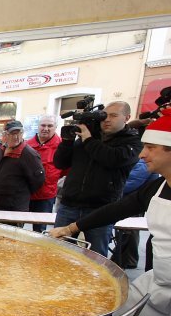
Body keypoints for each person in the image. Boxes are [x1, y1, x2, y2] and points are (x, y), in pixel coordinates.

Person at [48, 109, 171, 316]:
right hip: (159, 282)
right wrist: (71, 228)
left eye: (151, 148)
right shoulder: (156, 187)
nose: (142, 155)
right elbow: (119, 208)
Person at [52, 101, 141, 257]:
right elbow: (60, 163)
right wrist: (66, 142)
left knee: (96, 256)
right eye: (104, 116)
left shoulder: (132, 141)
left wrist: (88, 140)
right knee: (58, 251)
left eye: (114, 116)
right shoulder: (88, 137)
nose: (107, 120)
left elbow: (113, 159)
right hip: (69, 205)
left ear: (126, 117)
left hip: (101, 209)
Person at [0, 120, 45, 212]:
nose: (16, 137)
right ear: (5, 134)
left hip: (14, 208)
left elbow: (38, 180)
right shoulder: (2, 148)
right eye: (13, 134)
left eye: (20, 133)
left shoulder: (29, 154)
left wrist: (18, 194)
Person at [26, 115, 63, 231]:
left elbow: (65, 170)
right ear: (38, 127)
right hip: (26, 194)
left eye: (50, 126)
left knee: (40, 230)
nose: (46, 128)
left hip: (45, 197)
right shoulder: (27, 145)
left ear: (55, 127)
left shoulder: (62, 147)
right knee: (18, 227)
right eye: (43, 125)